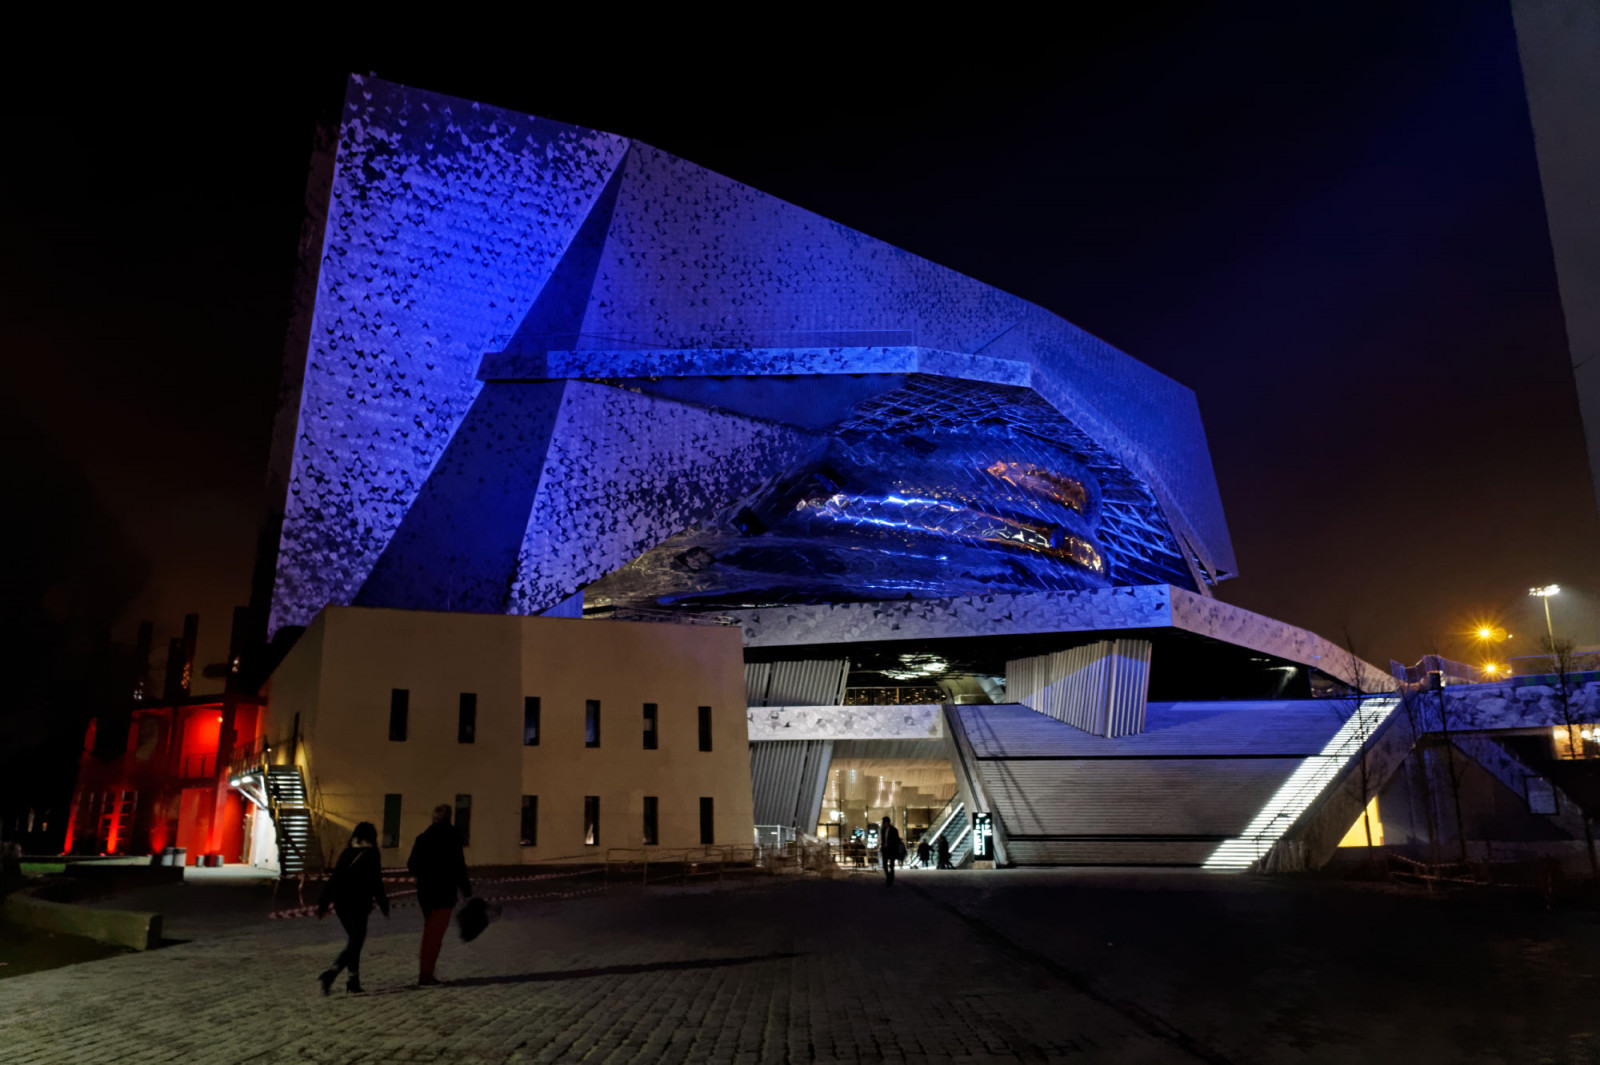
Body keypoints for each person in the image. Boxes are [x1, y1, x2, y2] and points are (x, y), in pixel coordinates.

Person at [317, 821, 389, 994]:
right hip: (359, 903)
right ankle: (332, 973)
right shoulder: (372, 853)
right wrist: (383, 904)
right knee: (356, 942)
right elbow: (376, 882)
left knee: (354, 941)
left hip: (341, 903)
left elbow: (334, 880)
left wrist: (323, 904)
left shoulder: (347, 852)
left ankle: (353, 980)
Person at [407, 803, 472, 986]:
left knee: (430, 932)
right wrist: (466, 890)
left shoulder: (423, 838)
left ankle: (426, 973)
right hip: (444, 892)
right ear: (449, 817)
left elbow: (411, 864)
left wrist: (423, 874)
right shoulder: (452, 837)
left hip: (425, 892)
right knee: (434, 936)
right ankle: (426, 975)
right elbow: (459, 865)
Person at [879, 816, 902, 885]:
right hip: (885, 849)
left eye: (884, 822)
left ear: (888, 822)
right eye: (883, 822)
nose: (883, 824)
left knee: (891, 865)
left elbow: (896, 840)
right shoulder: (883, 830)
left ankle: (890, 878)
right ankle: (889, 877)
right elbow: (883, 840)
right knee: (885, 864)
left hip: (892, 850)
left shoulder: (894, 830)